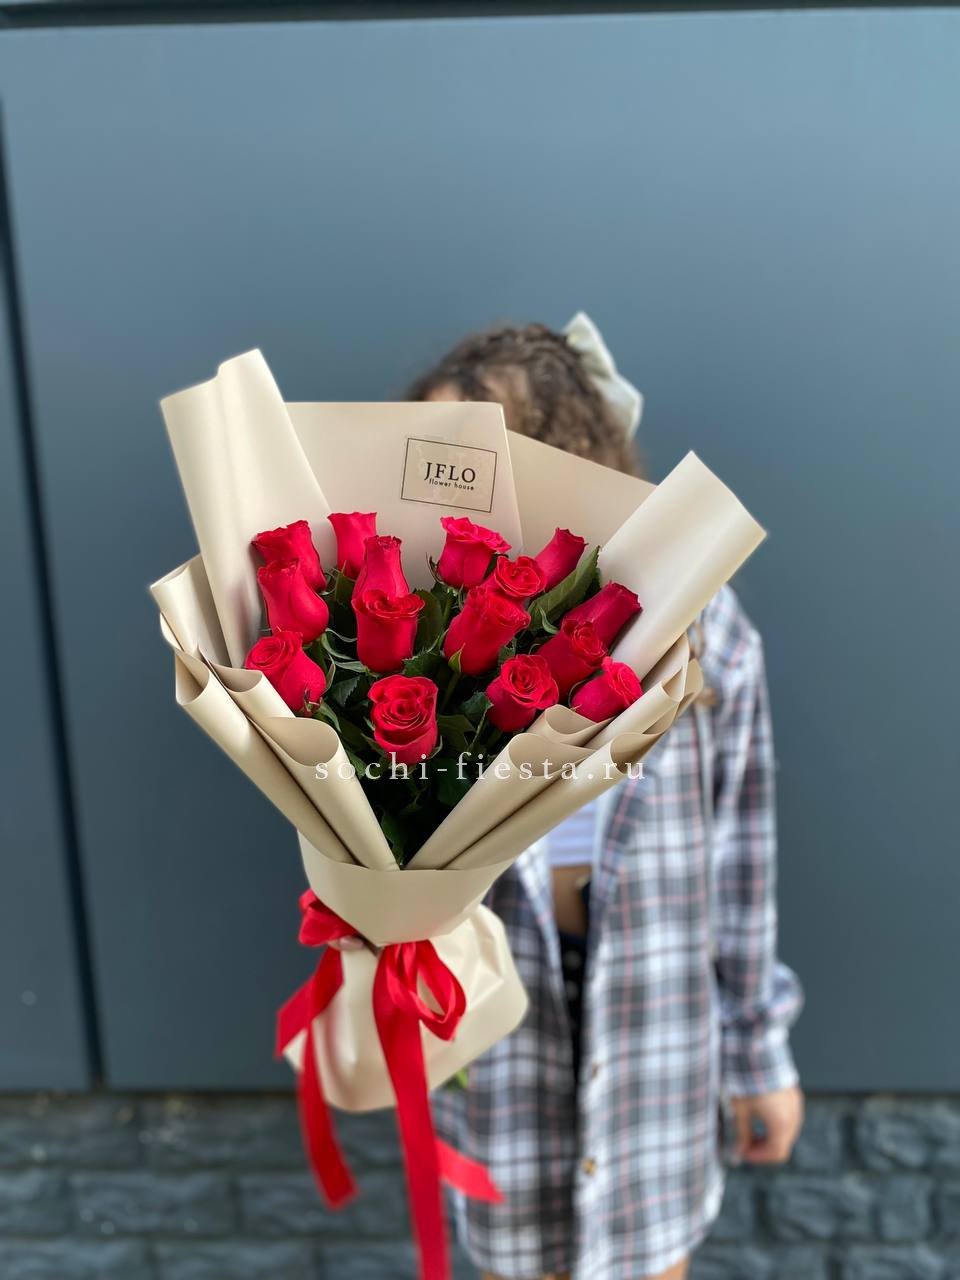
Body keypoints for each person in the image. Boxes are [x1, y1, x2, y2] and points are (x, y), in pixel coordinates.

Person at [398, 315, 805, 1280]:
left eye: (488, 449)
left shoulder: (701, 627)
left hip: (656, 1022)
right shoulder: (413, 628)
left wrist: (760, 1056)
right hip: (500, 1026)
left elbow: (741, 860)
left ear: (567, 454)